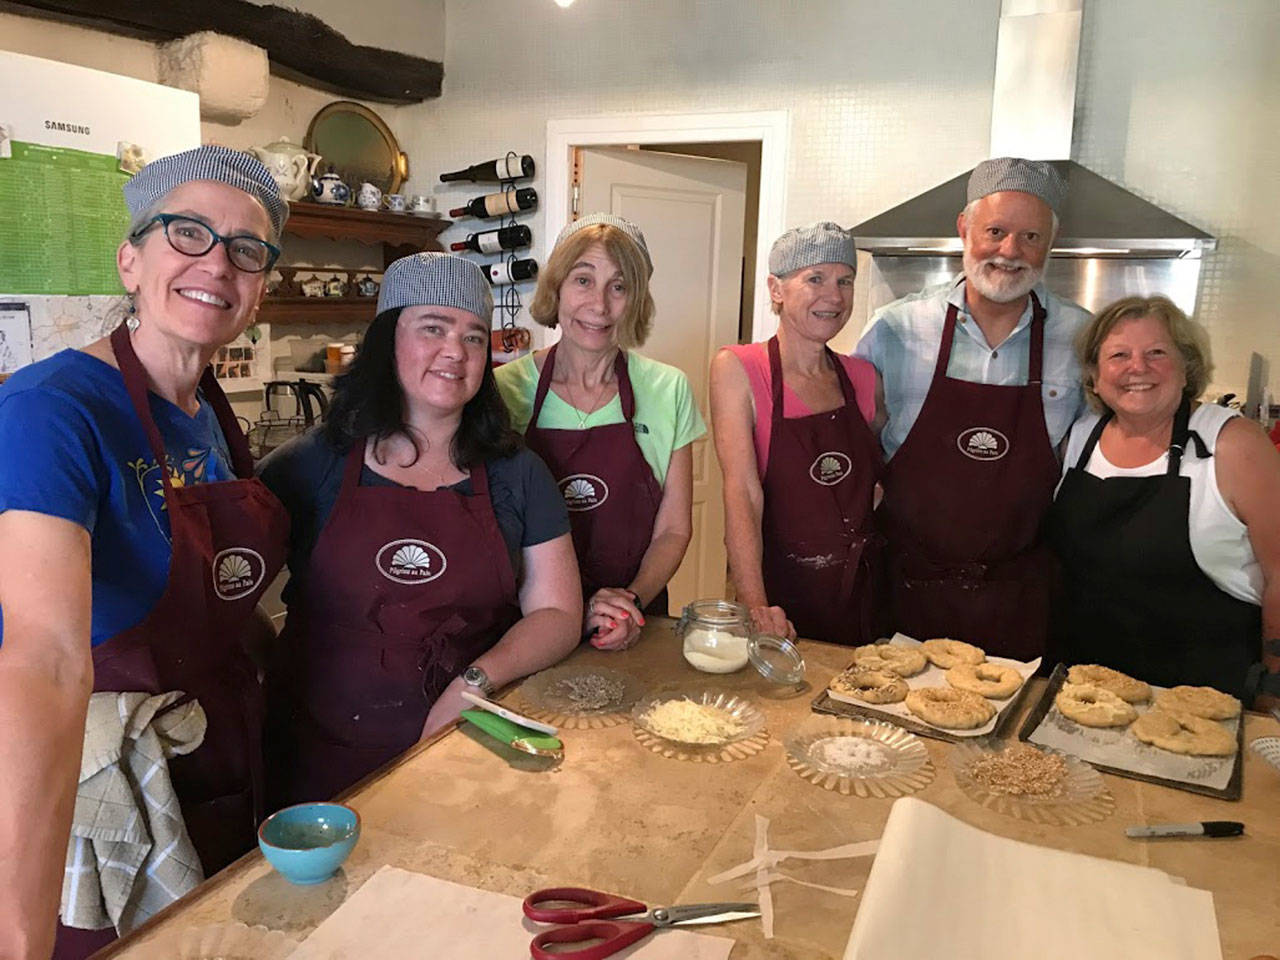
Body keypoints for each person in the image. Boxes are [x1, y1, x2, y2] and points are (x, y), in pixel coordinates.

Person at [0, 145, 291, 959]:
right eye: (187, 232)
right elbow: (45, 660)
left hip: (216, 767)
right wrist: (17, 932)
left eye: (246, 249)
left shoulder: (208, 410)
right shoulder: (51, 411)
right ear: (131, 259)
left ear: (260, 286)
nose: (217, 264)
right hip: (93, 796)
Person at [259, 253, 581, 807]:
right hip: (316, 758)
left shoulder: (518, 473)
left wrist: (473, 684)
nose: (455, 351)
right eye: (433, 327)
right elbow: (227, 590)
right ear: (388, 340)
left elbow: (557, 614)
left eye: (474, 337)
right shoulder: (310, 465)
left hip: (460, 747)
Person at [856, 157, 1092, 659]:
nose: (1011, 251)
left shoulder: (1082, 336)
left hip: (1019, 598)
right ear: (964, 228)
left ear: (1051, 242)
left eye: (1031, 237)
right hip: (906, 589)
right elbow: (856, 450)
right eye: (996, 231)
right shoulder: (894, 329)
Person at [1047, 296, 1280, 705]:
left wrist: (1274, 688)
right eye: (1119, 355)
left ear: (1186, 366)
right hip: (1086, 689)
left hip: (1203, 697)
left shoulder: (1232, 442)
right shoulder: (1080, 436)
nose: (1138, 368)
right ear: (1095, 375)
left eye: (1156, 352)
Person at [495, 213, 705, 650]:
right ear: (556, 287)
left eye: (619, 286)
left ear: (637, 300)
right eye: (583, 280)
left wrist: (628, 604)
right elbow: (489, 529)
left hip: (633, 620)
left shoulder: (668, 389)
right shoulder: (503, 391)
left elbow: (673, 528)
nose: (600, 305)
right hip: (527, 623)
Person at [710, 223, 884, 644]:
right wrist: (757, 608)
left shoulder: (863, 376)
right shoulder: (738, 368)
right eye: (815, 279)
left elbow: (876, 483)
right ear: (776, 288)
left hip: (864, 596)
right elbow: (743, 493)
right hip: (780, 596)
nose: (834, 296)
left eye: (845, 281)